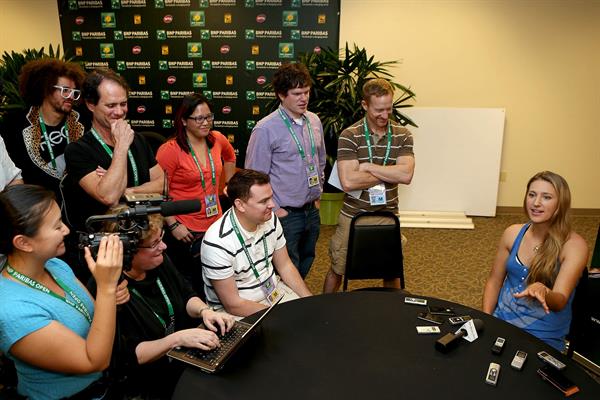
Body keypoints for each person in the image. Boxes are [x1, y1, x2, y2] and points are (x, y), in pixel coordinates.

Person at [0, 184, 123, 399]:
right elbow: (94, 361)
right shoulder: (13, 312)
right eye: (57, 227)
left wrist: (109, 297)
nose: (66, 230)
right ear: (24, 243)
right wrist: (106, 288)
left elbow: (93, 319)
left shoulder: (55, 266)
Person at [102, 206, 234, 399]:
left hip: (182, 362)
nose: (163, 246)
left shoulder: (159, 261)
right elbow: (130, 357)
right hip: (149, 383)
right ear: (127, 251)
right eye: (154, 243)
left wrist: (205, 311)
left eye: (161, 238)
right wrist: (177, 339)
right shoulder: (111, 290)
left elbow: (186, 295)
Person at [64, 69, 164, 278]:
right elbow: (108, 196)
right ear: (91, 105)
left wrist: (124, 190)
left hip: (147, 245)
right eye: (110, 105)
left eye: (123, 104)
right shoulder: (79, 150)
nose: (119, 112)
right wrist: (120, 147)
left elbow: (162, 184)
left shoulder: (138, 140)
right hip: (106, 251)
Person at [322, 78, 415, 293]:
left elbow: (406, 174)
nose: (384, 115)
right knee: (338, 268)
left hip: (388, 214)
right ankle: (324, 308)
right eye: (378, 110)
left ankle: (392, 312)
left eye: (388, 109)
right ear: (365, 105)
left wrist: (368, 167)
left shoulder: (403, 135)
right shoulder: (350, 135)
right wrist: (390, 172)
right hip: (353, 215)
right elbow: (348, 181)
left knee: (391, 270)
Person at [482, 171, 588, 351]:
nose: (536, 203)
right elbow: (494, 281)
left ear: (560, 204)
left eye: (546, 197)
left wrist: (545, 291)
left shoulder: (574, 246)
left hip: (542, 336)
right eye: (532, 195)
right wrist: (487, 319)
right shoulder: (513, 233)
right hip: (502, 323)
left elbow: (559, 301)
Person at [245, 63, 326, 279]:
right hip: (285, 214)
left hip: (311, 210)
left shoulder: (314, 121)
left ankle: (296, 302)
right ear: (281, 95)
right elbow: (254, 177)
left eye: (306, 92)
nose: (304, 98)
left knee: (307, 258)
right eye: (297, 93)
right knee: (285, 268)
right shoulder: (266, 129)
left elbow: (320, 161)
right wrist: (277, 210)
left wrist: (318, 195)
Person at [201, 169, 312, 318]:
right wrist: (281, 316)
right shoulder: (217, 242)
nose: (272, 205)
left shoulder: (270, 218)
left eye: (271, 197)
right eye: (263, 201)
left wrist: (310, 300)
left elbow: (285, 266)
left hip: (273, 293)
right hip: (237, 310)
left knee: (310, 318)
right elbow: (233, 304)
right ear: (240, 205)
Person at [156, 94, 236, 295]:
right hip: (186, 232)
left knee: (216, 281)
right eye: (199, 118)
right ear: (183, 120)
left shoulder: (217, 139)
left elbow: (230, 156)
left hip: (214, 225)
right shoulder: (170, 150)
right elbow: (157, 192)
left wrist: (227, 184)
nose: (206, 123)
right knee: (191, 287)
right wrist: (173, 225)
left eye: (209, 117)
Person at [1, 58, 85, 203]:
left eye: (74, 92)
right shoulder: (15, 124)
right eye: (65, 90)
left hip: (79, 208)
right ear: (46, 89)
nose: (71, 96)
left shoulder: (83, 121)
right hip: (39, 209)